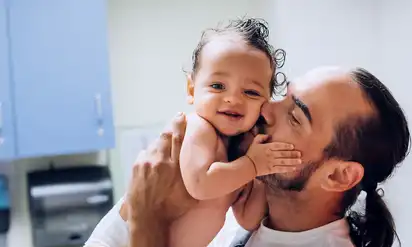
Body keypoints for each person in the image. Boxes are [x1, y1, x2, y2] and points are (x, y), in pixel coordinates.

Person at [85, 65, 410, 247]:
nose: (266, 108)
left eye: (295, 117)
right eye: (284, 95)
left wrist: (146, 221)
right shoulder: (241, 202)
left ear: (339, 175)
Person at [173, 18, 302, 247]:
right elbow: (200, 183)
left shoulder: (239, 151)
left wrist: (262, 174)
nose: (233, 99)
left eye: (251, 92)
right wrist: (254, 165)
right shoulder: (198, 129)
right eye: (218, 86)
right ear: (192, 89)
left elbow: (249, 219)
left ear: (267, 102)